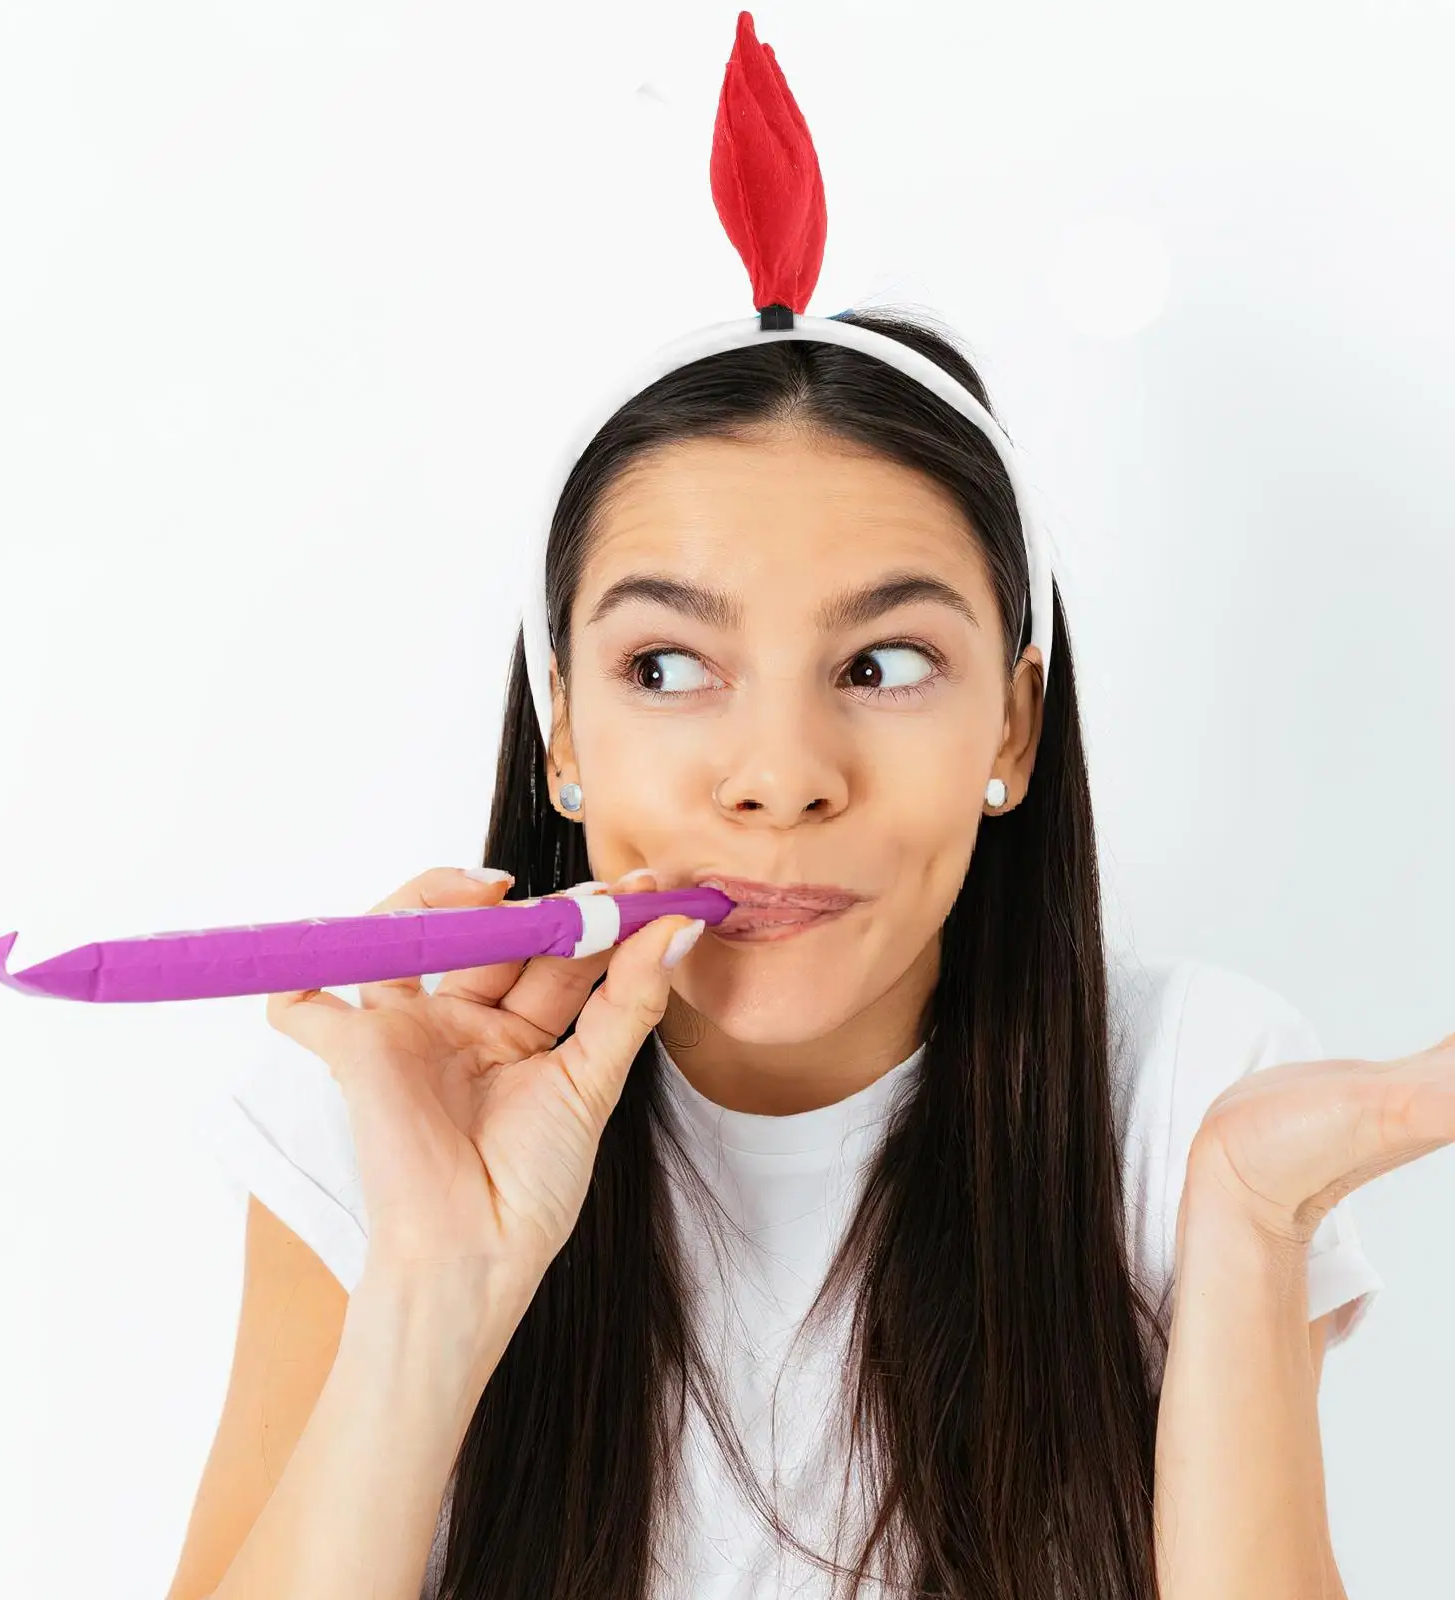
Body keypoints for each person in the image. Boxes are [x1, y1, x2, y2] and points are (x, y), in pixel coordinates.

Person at [167, 14, 1402, 1600]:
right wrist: (436, 1276)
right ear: (561, 731)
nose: (780, 774)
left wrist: (1234, 1229)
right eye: (670, 666)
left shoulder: (1187, 1102)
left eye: (884, 663)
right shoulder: (384, 1108)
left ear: (1014, 725)